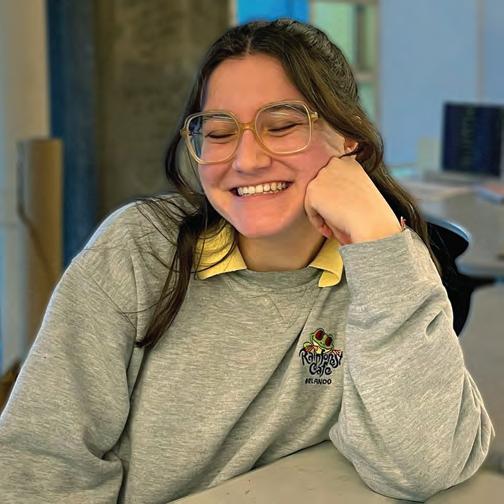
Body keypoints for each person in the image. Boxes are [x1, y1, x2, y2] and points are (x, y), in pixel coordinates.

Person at [0, 18, 494, 503]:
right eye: (218, 133)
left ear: (350, 140)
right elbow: (41, 461)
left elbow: (422, 466)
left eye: (281, 126)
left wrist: (378, 241)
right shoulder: (139, 248)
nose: (247, 160)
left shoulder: (385, 265)